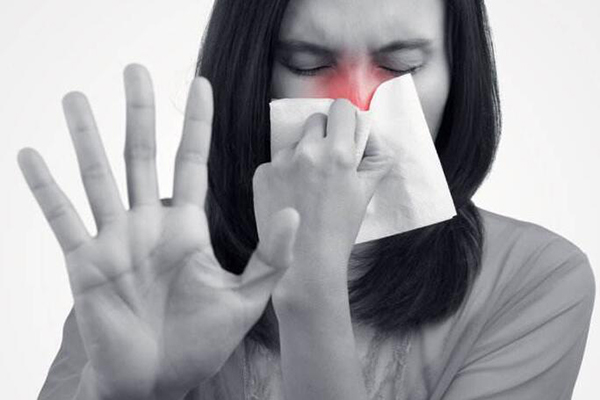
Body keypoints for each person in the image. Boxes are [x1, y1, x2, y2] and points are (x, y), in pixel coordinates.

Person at [20, 0, 595, 399]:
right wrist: (117, 392)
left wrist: (310, 281)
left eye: (401, 67)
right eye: (309, 64)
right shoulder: (157, 259)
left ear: (458, 73)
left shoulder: (536, 279)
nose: (355, 105)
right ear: (255, 74)